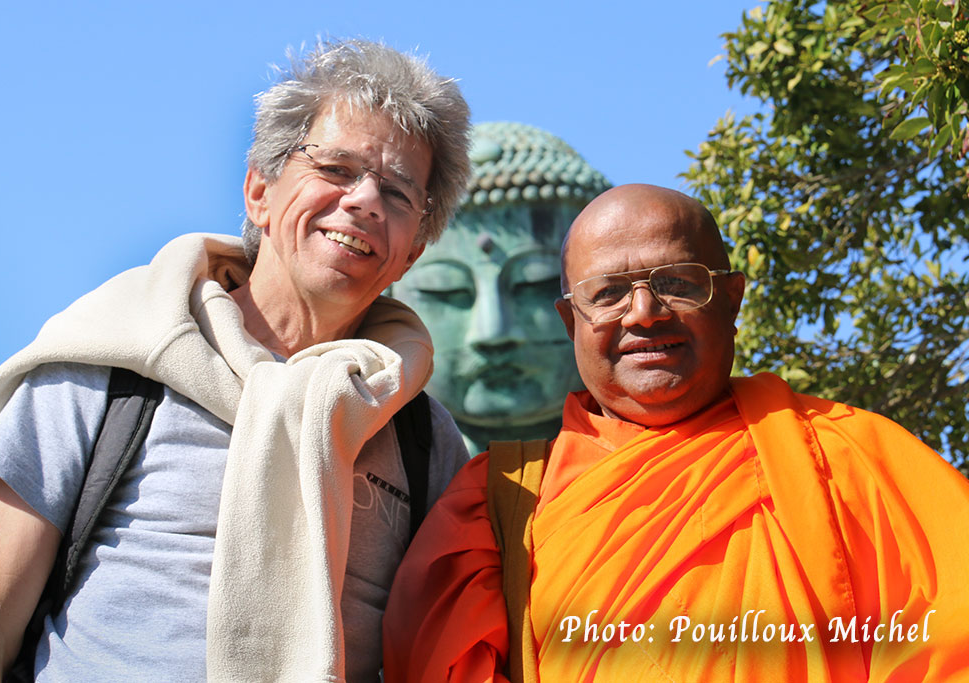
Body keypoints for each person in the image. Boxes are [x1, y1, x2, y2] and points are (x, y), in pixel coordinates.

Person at [0, 39, 471, 682]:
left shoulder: (424, 438)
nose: (363, 201)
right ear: (259, 193)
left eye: (397, 193)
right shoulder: (111, 360)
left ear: (410, 254)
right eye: (335, 169)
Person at [382, 184, 969, 681]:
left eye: (678, 283)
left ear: (732, 299)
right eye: (607, 294)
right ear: (571, 321)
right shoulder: (497, 500)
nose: (643, 312)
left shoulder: (852, 458)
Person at [392, 122, 610, 453]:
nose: (491, 333)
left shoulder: (666, 464)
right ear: (388, 296)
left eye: (535, 283)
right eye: (446, 290)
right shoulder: (365, 468)